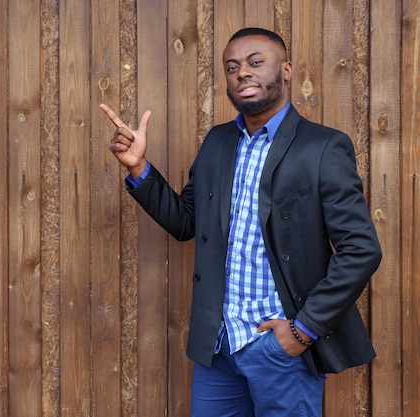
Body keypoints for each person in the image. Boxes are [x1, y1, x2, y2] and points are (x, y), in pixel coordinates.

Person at [100, 27, 382, 416]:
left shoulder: (323, 147)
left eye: (254, 62)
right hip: (219, 344)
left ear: (285, 70)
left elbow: (360, 250)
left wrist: (302, 330)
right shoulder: (218, 142)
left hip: (280, 346)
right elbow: (186, 222)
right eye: (232, 67)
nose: (242, 73)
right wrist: (140, 169)